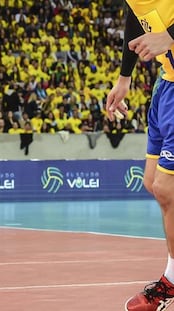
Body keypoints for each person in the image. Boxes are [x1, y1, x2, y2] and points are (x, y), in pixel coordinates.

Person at [106, 2, 174, 310]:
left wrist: (170, 35)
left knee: (167, 189)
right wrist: (124, 77)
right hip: (167, 83)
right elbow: (135, 13)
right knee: (152, 183)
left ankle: (170, 283)